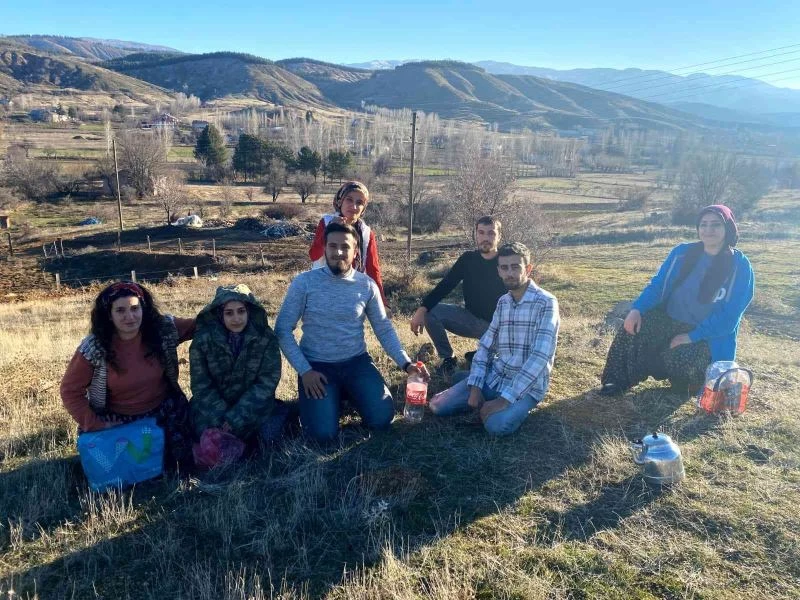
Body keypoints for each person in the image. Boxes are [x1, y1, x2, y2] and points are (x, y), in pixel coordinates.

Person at [276, 221, 429, 443]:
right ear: (325, 248)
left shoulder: (366, 285)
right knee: (322, 435)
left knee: (382, 418)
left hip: (356, 363)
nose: (338, 252)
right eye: (332, 246)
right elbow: (282, 330)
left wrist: (406, 364)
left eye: (345, 247)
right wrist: (305, 371)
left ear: (355, 251)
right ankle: (333, 397)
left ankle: (347, 393)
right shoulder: (304, 283)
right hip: (317, 367)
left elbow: (384, 328)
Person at [599, 204, 754, 395]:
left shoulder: (740, 267)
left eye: (716, 225)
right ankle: (615, 382)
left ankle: (688, 383)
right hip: (669, 319)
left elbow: (729, 318)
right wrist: (636, 309)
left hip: (704, 333)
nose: (708, 230)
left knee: (682, 360)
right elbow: (658, 285)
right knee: (632, 330)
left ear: (728, 228)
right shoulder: (682, 253)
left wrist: (690, 337)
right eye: (703, 224)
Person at [429, 242, 560, 436]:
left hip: (527, 386)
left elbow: (540, 357)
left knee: (496, 426)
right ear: (498, 270)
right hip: (497, 375)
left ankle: (509, 403)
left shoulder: (546, 303)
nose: (509, 273)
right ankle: (470, 381)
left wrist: (503, 400)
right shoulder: (503, 302)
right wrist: (475, 388)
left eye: (515, 267)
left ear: (528, 269)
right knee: (436, 406)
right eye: (504, 268)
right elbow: (486, 346)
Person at [60, 281, 195, 466]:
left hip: (166, 411)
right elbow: (70, 391)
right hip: (119, 419)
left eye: (135, 308)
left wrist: (235, 305)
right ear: (108, 315)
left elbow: (202, 324)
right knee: (119, 469)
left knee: (182, 463)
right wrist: (97, 424)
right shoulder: (94, 348)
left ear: (144, 309)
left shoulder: (163, 330)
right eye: (120, 310)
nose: (129, 316)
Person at [190, 284, 292, 449]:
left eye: (241, 311)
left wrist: (236, 418)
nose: (236, 318)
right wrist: (222, 418)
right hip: (214, 411)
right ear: (219, 314)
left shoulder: (265, 338)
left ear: (249, 311)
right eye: (229, 313)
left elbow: (267, 383)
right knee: (206, 441)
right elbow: (200, 385)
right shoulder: (202, 340)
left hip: (253, 408)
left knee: (268, 440)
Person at [409, 216, 507, 373]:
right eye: (481, 233)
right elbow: (445, 285)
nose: (485, 238)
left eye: (491, 233)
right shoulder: (468, 259)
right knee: (431, 312)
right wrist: (421, 309)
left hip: (501, 329)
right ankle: (448, 358)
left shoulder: (506, 261)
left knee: (487, 363)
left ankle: (481, 354)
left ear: (499, 236)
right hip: (472, 320)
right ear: (476, 234)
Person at [308, 180, 389, 310]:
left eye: (359, 203)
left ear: (364, 208)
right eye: (349, 200)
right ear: (340, 201)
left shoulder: (366, 233)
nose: (354, 206)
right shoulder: (326, 222)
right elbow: (314, 255)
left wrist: (382, 302)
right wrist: (329, 229)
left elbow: (373, 269)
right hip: (324, 289)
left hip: (353, 293)